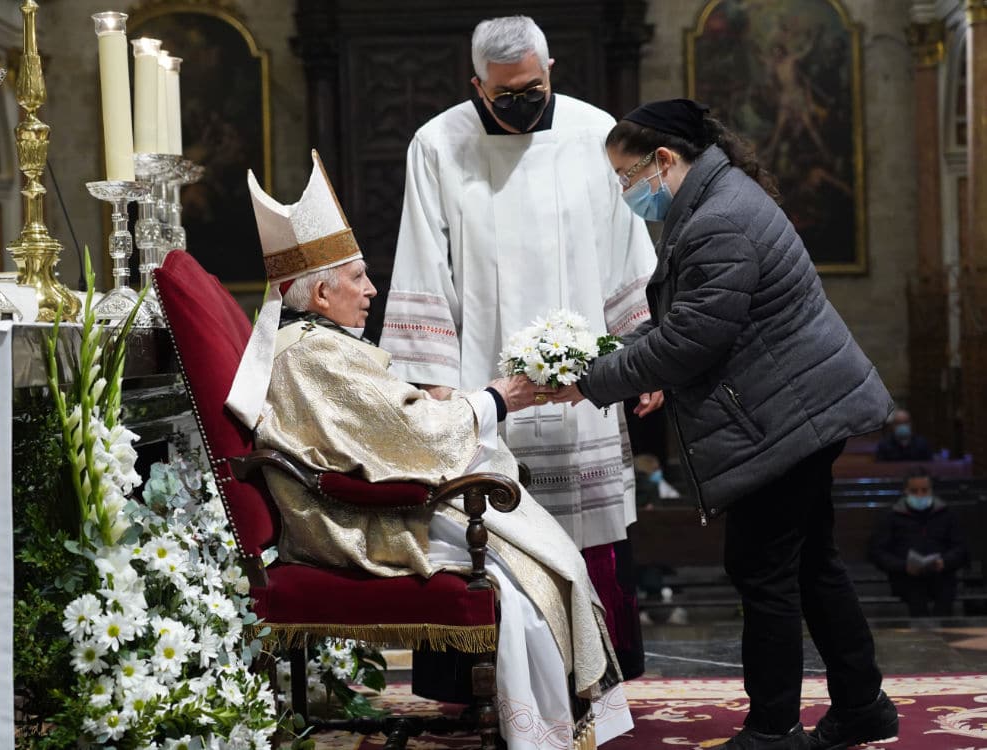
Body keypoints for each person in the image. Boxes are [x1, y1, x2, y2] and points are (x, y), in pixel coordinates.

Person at [226, 151, 632, 749]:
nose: (372, 290)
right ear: (321, 292)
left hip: (369, 502)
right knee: (526, 577)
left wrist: (462, 402)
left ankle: (553, 724)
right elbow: (411, 434)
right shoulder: (312, 352)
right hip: (356, 520)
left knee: (544, 555)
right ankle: (538, 734)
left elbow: (389, 425)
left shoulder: (312, 343)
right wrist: (496, 399)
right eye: (358, 277)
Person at [550, 99, 898, 750]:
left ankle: (774, 730)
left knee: (763, 571)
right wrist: (613, 360)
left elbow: (691, 341)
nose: (626, 191)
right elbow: (686, 323)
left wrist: (594, 380)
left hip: (787, 416)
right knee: (811, 565)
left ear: (664, 159)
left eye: (627, 176)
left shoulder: (719, 219)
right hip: (795, 410)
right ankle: (862, 706)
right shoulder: (716, 200)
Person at [379, 14, 659, 678]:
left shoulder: (596, 135)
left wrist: (644, 360)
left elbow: (626, 255)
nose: (521, 102)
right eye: (504, 94)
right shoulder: (437, 144)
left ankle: (593, 676)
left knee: (584, 528)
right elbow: (422, 261)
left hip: (584, 391)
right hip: (482, 383)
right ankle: (478, 679)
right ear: (476, 84)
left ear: (550, 69)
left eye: (532, 87)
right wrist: (435, 384)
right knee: (482, 524)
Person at [869, 468, 968, 616]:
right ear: (906, 491)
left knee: (945, 596)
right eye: (914, 491)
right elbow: (878, 552)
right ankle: (922, 629)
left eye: (924, 490)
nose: (920, 495)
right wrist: (903, 566)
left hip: (941, 574)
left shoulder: (947, 514)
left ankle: (943, 628)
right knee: (915, 596)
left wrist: (944, 562)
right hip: (906, 576)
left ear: (931, 490)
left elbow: (960, 547)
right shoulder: (891, 516)